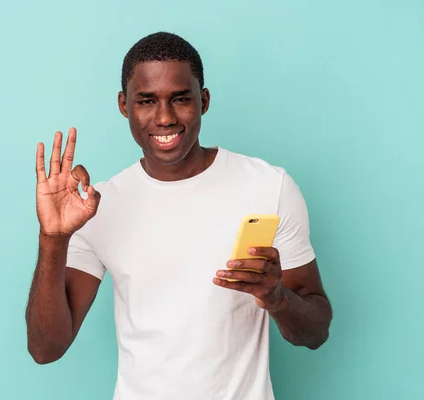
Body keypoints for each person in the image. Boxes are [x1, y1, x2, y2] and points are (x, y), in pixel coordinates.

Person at [26, 32, 332, 400]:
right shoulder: (99, 206)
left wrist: (276, 297)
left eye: (181, 99)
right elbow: (46, 349)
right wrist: (53, 239)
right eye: (146, 101)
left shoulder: (270, 187)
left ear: (203, 100)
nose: (165, 117)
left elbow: (316, 333)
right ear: (124, 105)